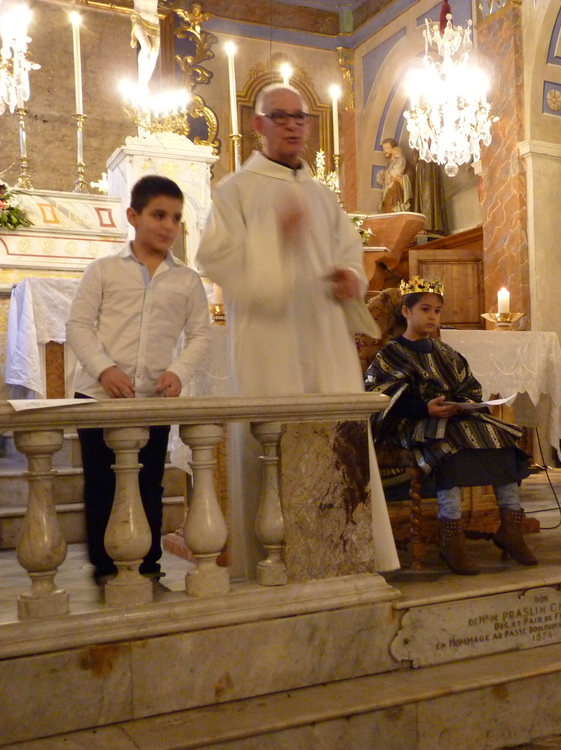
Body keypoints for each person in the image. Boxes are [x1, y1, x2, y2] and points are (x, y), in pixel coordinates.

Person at [197, 83, 399, 575]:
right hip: (268, 343)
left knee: (338, 438)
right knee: (274, 442)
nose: (291, 125)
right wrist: (277, 244)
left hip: (326, 339)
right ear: (259, 125)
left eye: (299, 117)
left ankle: (345, 557)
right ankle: (272, 563)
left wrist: (351, 278)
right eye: (280, 116)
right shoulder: (234, 191)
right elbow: (216, 258)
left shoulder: (322, 196)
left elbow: (349, 253)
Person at [66, 175, 212, 586]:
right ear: (133, 216)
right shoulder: (103, 270)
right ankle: (105, 568)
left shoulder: (186, 280)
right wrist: (104, 368)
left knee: (148, 483)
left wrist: (179, 372)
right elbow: (78, 325)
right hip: (98, 394)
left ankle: (148, 566)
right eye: (159, 215)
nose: (168, 226)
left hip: (151, 397)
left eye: (176, 218)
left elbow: (200, 335)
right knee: (102, 482)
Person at [365, 278, 536, 575]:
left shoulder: (446, 353)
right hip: (412, 423)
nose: (433, 317)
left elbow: (470, 387)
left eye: (437, 311)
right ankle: (451, 537)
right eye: (425, 309)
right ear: (406, 311)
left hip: (451, 420)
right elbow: (381, 397)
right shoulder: (391, 353)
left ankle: (511, 530)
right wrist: (424, 408)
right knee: (449, 445)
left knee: (502, 438)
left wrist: (464, 404)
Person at [378, 138, 412, 213]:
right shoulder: (392, 161)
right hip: (390, 188)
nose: (385, 151)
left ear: (394, 148)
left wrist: (390, 176)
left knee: (393, 208)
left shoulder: (401, 159)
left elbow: (397, 173)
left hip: (395, 189)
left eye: (387, 148)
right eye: (384, 148)